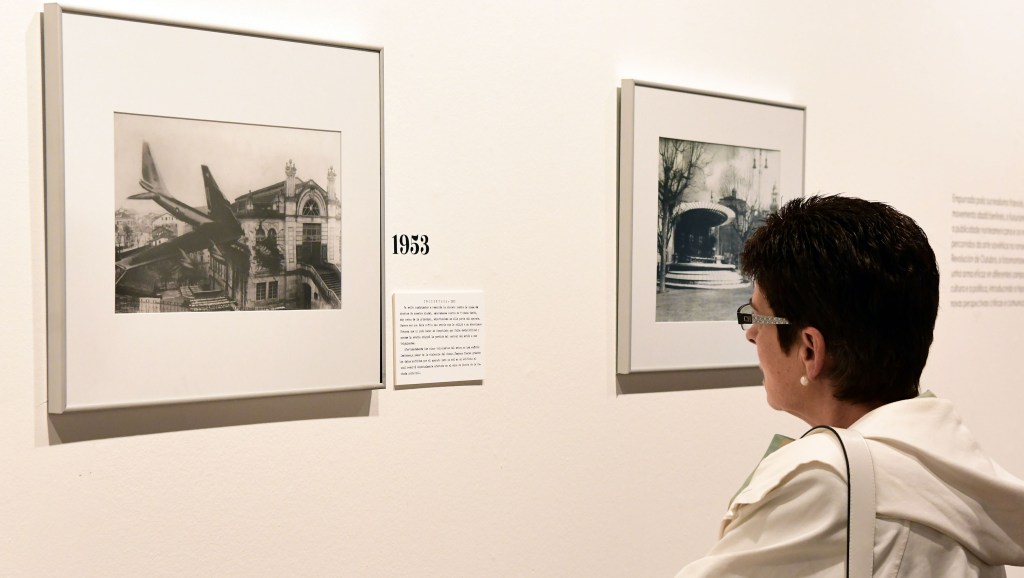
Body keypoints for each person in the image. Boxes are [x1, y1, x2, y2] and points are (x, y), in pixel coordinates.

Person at [677, 195, 1024, 577]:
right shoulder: (955, 471)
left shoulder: (825, 482)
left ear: (810, 349)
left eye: (758, 316)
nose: (752, 335)